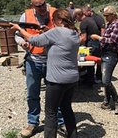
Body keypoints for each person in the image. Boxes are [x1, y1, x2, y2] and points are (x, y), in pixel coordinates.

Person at [11, 9, 79, 138]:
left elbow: (33, 40)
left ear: (59, 20)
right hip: (72, 79)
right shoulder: (74, 33)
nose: (52, 23)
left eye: (54, 21)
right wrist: (48, 32)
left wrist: (19, 28)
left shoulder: (56, 32)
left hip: (57, 80)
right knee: (66, 109)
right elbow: (57, 39)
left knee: (50, 113)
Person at [14, 0, 64, 137]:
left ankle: (60, 122)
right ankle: (32, 123)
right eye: (38, 6)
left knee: (56, 94)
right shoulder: (26, 15)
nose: (42, 8)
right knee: (32, 93)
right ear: (32, 6)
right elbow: (17, 34)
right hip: (33, 60)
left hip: (53, 61)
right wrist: (21, 42)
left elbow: (65, 32)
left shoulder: (55, 13)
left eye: (43, 4)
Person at [90, 6, 118, 114]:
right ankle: (107, 101)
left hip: (111, 54)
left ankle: (117, 101)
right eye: (104, 15)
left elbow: (112, 40)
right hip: (105, 53)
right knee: (106, 79)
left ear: (113, 15)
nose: (105, 18)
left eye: (107, 16)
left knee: (106, 80)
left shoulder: (116, 24)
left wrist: (99, 38)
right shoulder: (110, 24)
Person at [75, 5, 102, 85]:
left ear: (78, 15)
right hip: (96, 43)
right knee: (93, 61)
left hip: (91, 43)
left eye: (76, 18)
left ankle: (90, 81)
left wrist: (74, 44)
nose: (77, 20)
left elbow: (83, 38)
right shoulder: (89, 19)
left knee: (89, 62)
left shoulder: (83, 23)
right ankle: (93, 78)